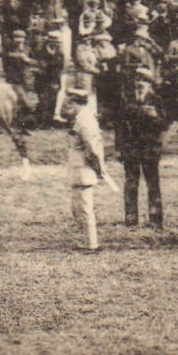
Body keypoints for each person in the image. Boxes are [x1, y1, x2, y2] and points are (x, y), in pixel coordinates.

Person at [64, 85, 113, 251]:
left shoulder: (85, 120)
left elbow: (92, 148)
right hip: (79, 169)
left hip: (83, 169)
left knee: (85, 208)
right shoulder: (82, 118)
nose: (68, 107)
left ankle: (91, 244)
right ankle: (87, 241)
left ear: (77, 103)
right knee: (79, 207)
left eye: (70, 103)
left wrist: (98, 168)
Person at [116, 68, 166, 230]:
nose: (139, 84)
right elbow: (119, 126)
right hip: (131, 149)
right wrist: (119, 148)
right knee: (131, 183)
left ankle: (155, 218)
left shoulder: (157, 100)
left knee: (153, 184)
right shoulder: (126, 100)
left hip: (150, 149)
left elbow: (164, 124)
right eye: (137, 80)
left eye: (143, 81)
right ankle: (131, 217)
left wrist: (154, 117)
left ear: (150, 84)